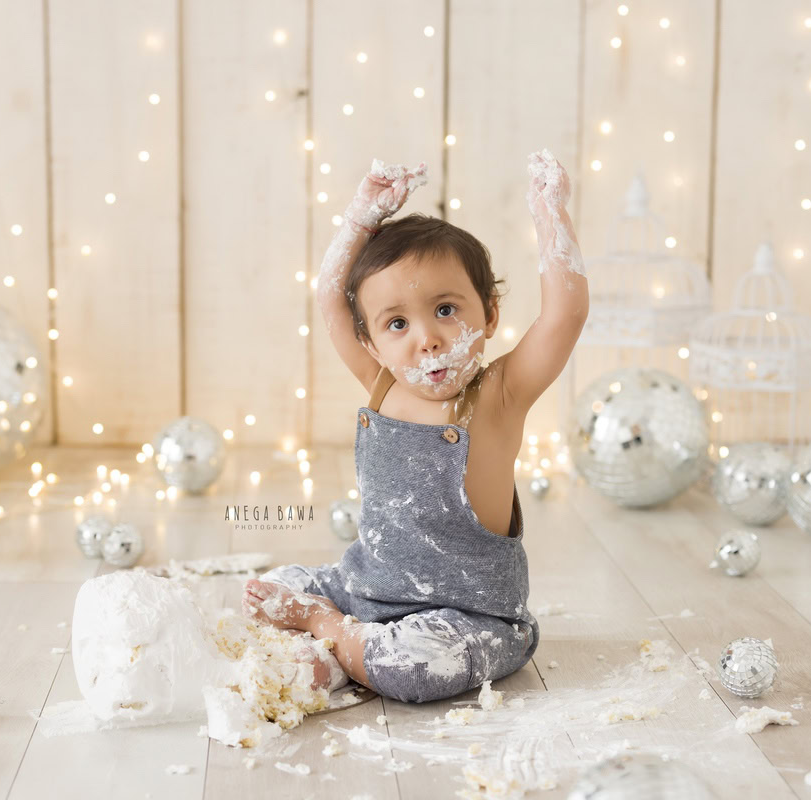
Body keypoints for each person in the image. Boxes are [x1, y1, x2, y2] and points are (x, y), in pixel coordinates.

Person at [242, 152, 589, 703]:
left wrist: (550, 214)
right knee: (264, 590)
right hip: (368, 586)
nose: (425, 337)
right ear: (372, 341)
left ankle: (331, 638)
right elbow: (331, 297)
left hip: (467, 616)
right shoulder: (383, 385)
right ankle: (349, 654)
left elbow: (565, 314)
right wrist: (362, 215)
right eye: (397, 323)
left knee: (414, 666)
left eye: (446, 310)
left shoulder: (500, 395)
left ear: (490, 314)